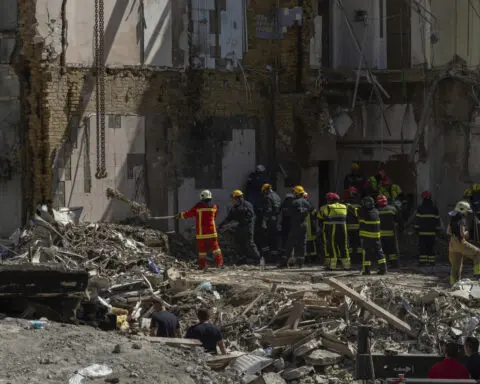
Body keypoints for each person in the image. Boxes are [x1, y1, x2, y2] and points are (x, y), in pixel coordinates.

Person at [175, 190, 223, 270]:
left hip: (201, 232)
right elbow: (214, 217)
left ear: (202, 197)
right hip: (212, 231)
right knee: (216, 248)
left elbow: (189, 214)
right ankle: (219, 263)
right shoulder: (214, 206)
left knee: (202, 250)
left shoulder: (199, 206)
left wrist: (180, 215)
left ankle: (202, 265)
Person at [219, 190, 261, 264]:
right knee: (238, 241)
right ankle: (242, 258)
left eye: (234, 198)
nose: (233, 200)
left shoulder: (247, 205)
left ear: (238, 198)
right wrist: (221, 225)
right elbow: (229, 217)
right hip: (241, 225)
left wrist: (240, 215)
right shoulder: (235, 207)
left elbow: (250, 216)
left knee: (250, 243)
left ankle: (257, 258)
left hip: (248, 226)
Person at [447, 200, 480, 285]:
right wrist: (467, 233)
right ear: (462, 209)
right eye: (466, 211)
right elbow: (462, 233)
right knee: (478, 253)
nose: (467, 213)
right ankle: (478, 274)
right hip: (460, 242)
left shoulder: (452, 218)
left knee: (455, 266)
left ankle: (453, 285)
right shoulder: (462, 219)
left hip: (452, 243)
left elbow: (448, 231)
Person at [281, 185, 314, 268]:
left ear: (296, 193)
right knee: (302, 244)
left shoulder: (294, 202)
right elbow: (312, 210)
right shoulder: (307, 202)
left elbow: (288, 213)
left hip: (296, 224)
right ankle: (301, 263)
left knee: (290, 243)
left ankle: (284, 263)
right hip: (304, 224)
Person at [318, 192, 350, 270]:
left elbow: (322, 216)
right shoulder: (344, 206)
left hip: (332, 229)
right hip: (343, 229)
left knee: (332, 246)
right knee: (344, 246)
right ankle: (347, 266)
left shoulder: (328, 207)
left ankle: (332, 266)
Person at [358, 196, 387, 275]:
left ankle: (366, 270)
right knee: (379, 252)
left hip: (366, 236)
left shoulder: (362, 211)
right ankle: (383, 269)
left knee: (366, 252)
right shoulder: (376, 211)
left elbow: (357, 213)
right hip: (376, 236)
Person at [244, 165, 270, 247]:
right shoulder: (263, 178)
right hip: (258, 203)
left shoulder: (252, 176)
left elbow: (247, 187)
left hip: (251, 202)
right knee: (259, 224)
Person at [414, 191, 441, 266]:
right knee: (431, 247)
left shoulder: (420, 208)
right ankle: (432, 262)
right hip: (432, 232)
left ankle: (423, 262)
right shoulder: (434, 208)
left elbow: (417, 220)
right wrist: (438, 230)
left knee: (423, 247)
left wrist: (416, 229)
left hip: (422, 233)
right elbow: (437, 220)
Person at [259, 184, 282, 261]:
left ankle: (266, 256)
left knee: (265, 238)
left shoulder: (268, 197)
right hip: (275, 220)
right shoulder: (277, 196)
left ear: (266, 190)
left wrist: (264, 221)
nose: (264, 193)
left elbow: (268, 210)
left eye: (264, 191)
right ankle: (274, 257)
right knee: (274, 238)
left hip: (269, 221)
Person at [376, 194, 399, 268]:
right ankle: (394, 264)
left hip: (380, 234)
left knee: (382, 250)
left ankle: (383, 265)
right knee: (392, 250)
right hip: (391, 234)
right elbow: (399, 220)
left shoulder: (376, 211)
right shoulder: (392, 209)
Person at [345, 187, 362, 265]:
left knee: (350, 244)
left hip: (348, 227)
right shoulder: (359, 204)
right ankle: (359, 259)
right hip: (358, 227)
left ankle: (351, 259)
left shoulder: (345, 204)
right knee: (358, 244)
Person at [279, 191, 295, 257]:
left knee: (284, 239)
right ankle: (291, 254)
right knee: (292, 239)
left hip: (284, 223)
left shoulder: (283, 203)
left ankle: (284, 254)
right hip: (292, 223)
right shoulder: (294, 202)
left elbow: (279, 211)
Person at [304, 192, 318, 263]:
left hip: (308, 227)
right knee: (311, 243)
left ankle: (307, 258)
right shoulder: (311, 205)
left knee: (306, 243)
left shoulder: (304, 204)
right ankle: (313, 258)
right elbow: (315, 215)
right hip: (311, 228)